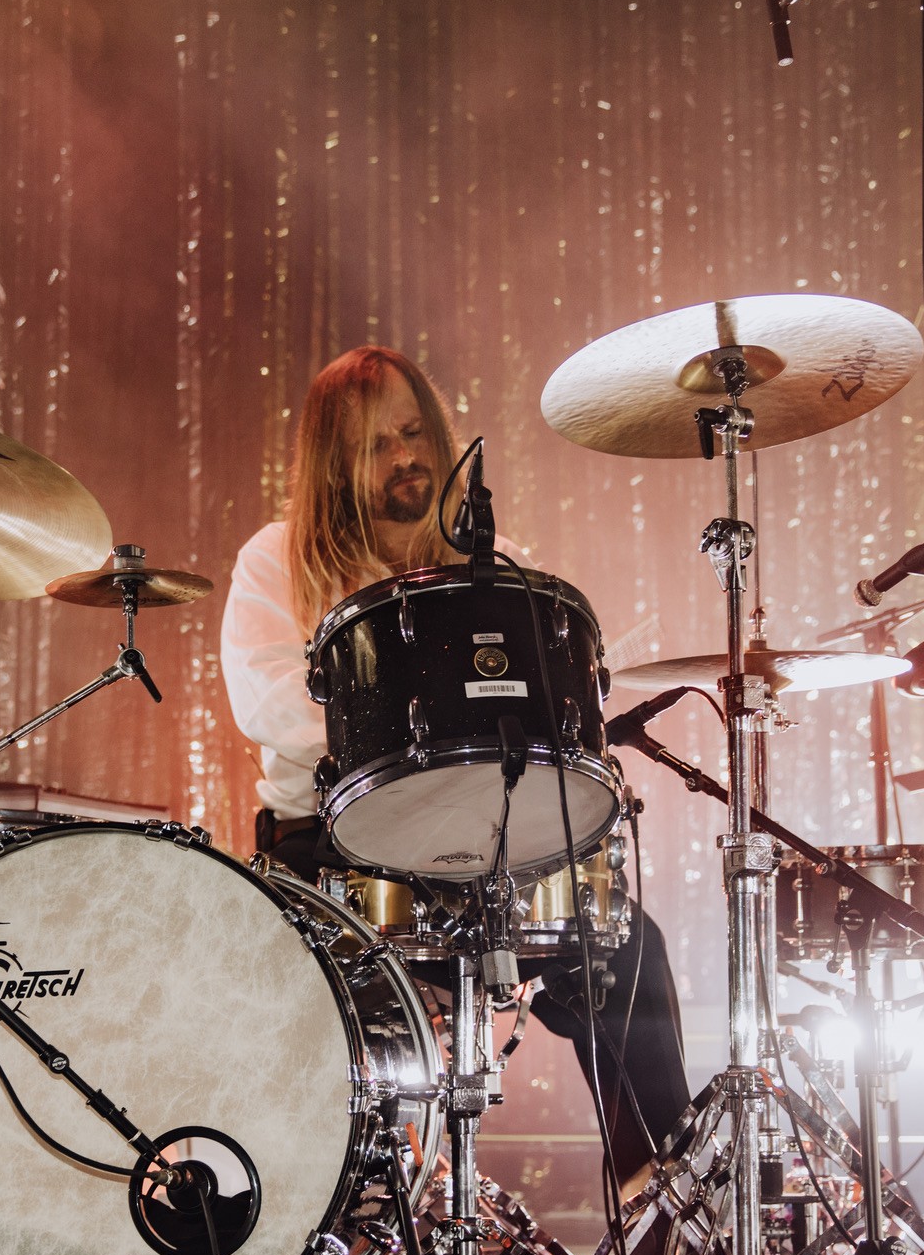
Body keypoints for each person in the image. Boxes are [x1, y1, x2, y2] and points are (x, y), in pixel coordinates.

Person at [218, 344, 690, 1184]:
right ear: (334, 464)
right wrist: (406, 727)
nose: (406, 456)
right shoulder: (277, 559)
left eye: (412, 432)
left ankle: (658, 1219)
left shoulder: (493, 559)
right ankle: (285, 1213)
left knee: (628, 949)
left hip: (484, 850)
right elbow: (268, 706)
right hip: (332, 857)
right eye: (375, 444)